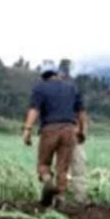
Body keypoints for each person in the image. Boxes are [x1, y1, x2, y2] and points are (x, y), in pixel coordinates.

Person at [22, 61, 88, 207]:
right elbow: (81, 112)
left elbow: (34, 110)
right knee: (62, 167)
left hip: (49, 130)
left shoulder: (40, 88)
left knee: (44, 163)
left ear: (43, 76)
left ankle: (46, 179)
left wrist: (27, 129)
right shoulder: (71, 88)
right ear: (57, 74)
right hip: (69, 130)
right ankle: (60, 198)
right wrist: (82, 131)